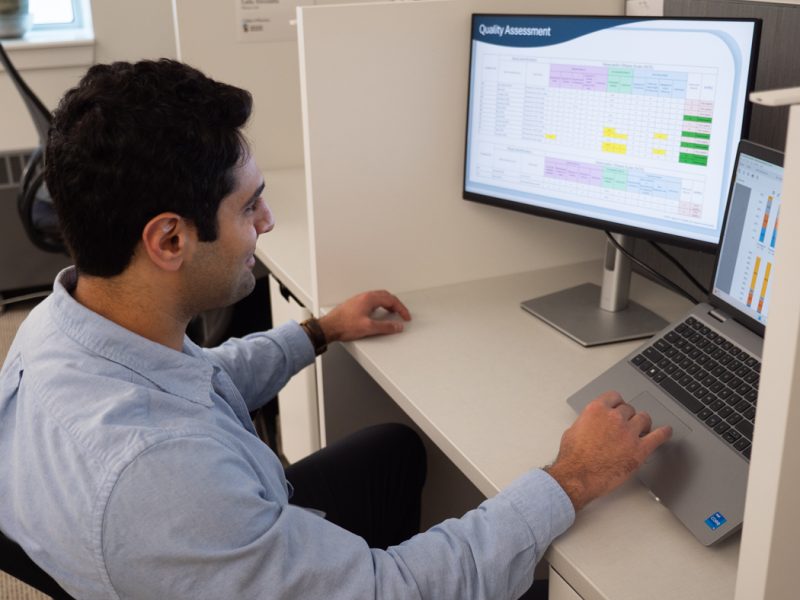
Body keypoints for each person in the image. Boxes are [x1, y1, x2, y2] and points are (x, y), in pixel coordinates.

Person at [0, 59, 671, 600]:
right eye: (249, 206)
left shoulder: (64, 323)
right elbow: (390, 589)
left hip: (190, 548)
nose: (266, 223)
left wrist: (319, 331)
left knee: (392, 449)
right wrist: (571, 477)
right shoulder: (164, 479)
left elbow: (198, 381)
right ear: (170, 239)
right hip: (205, 531)